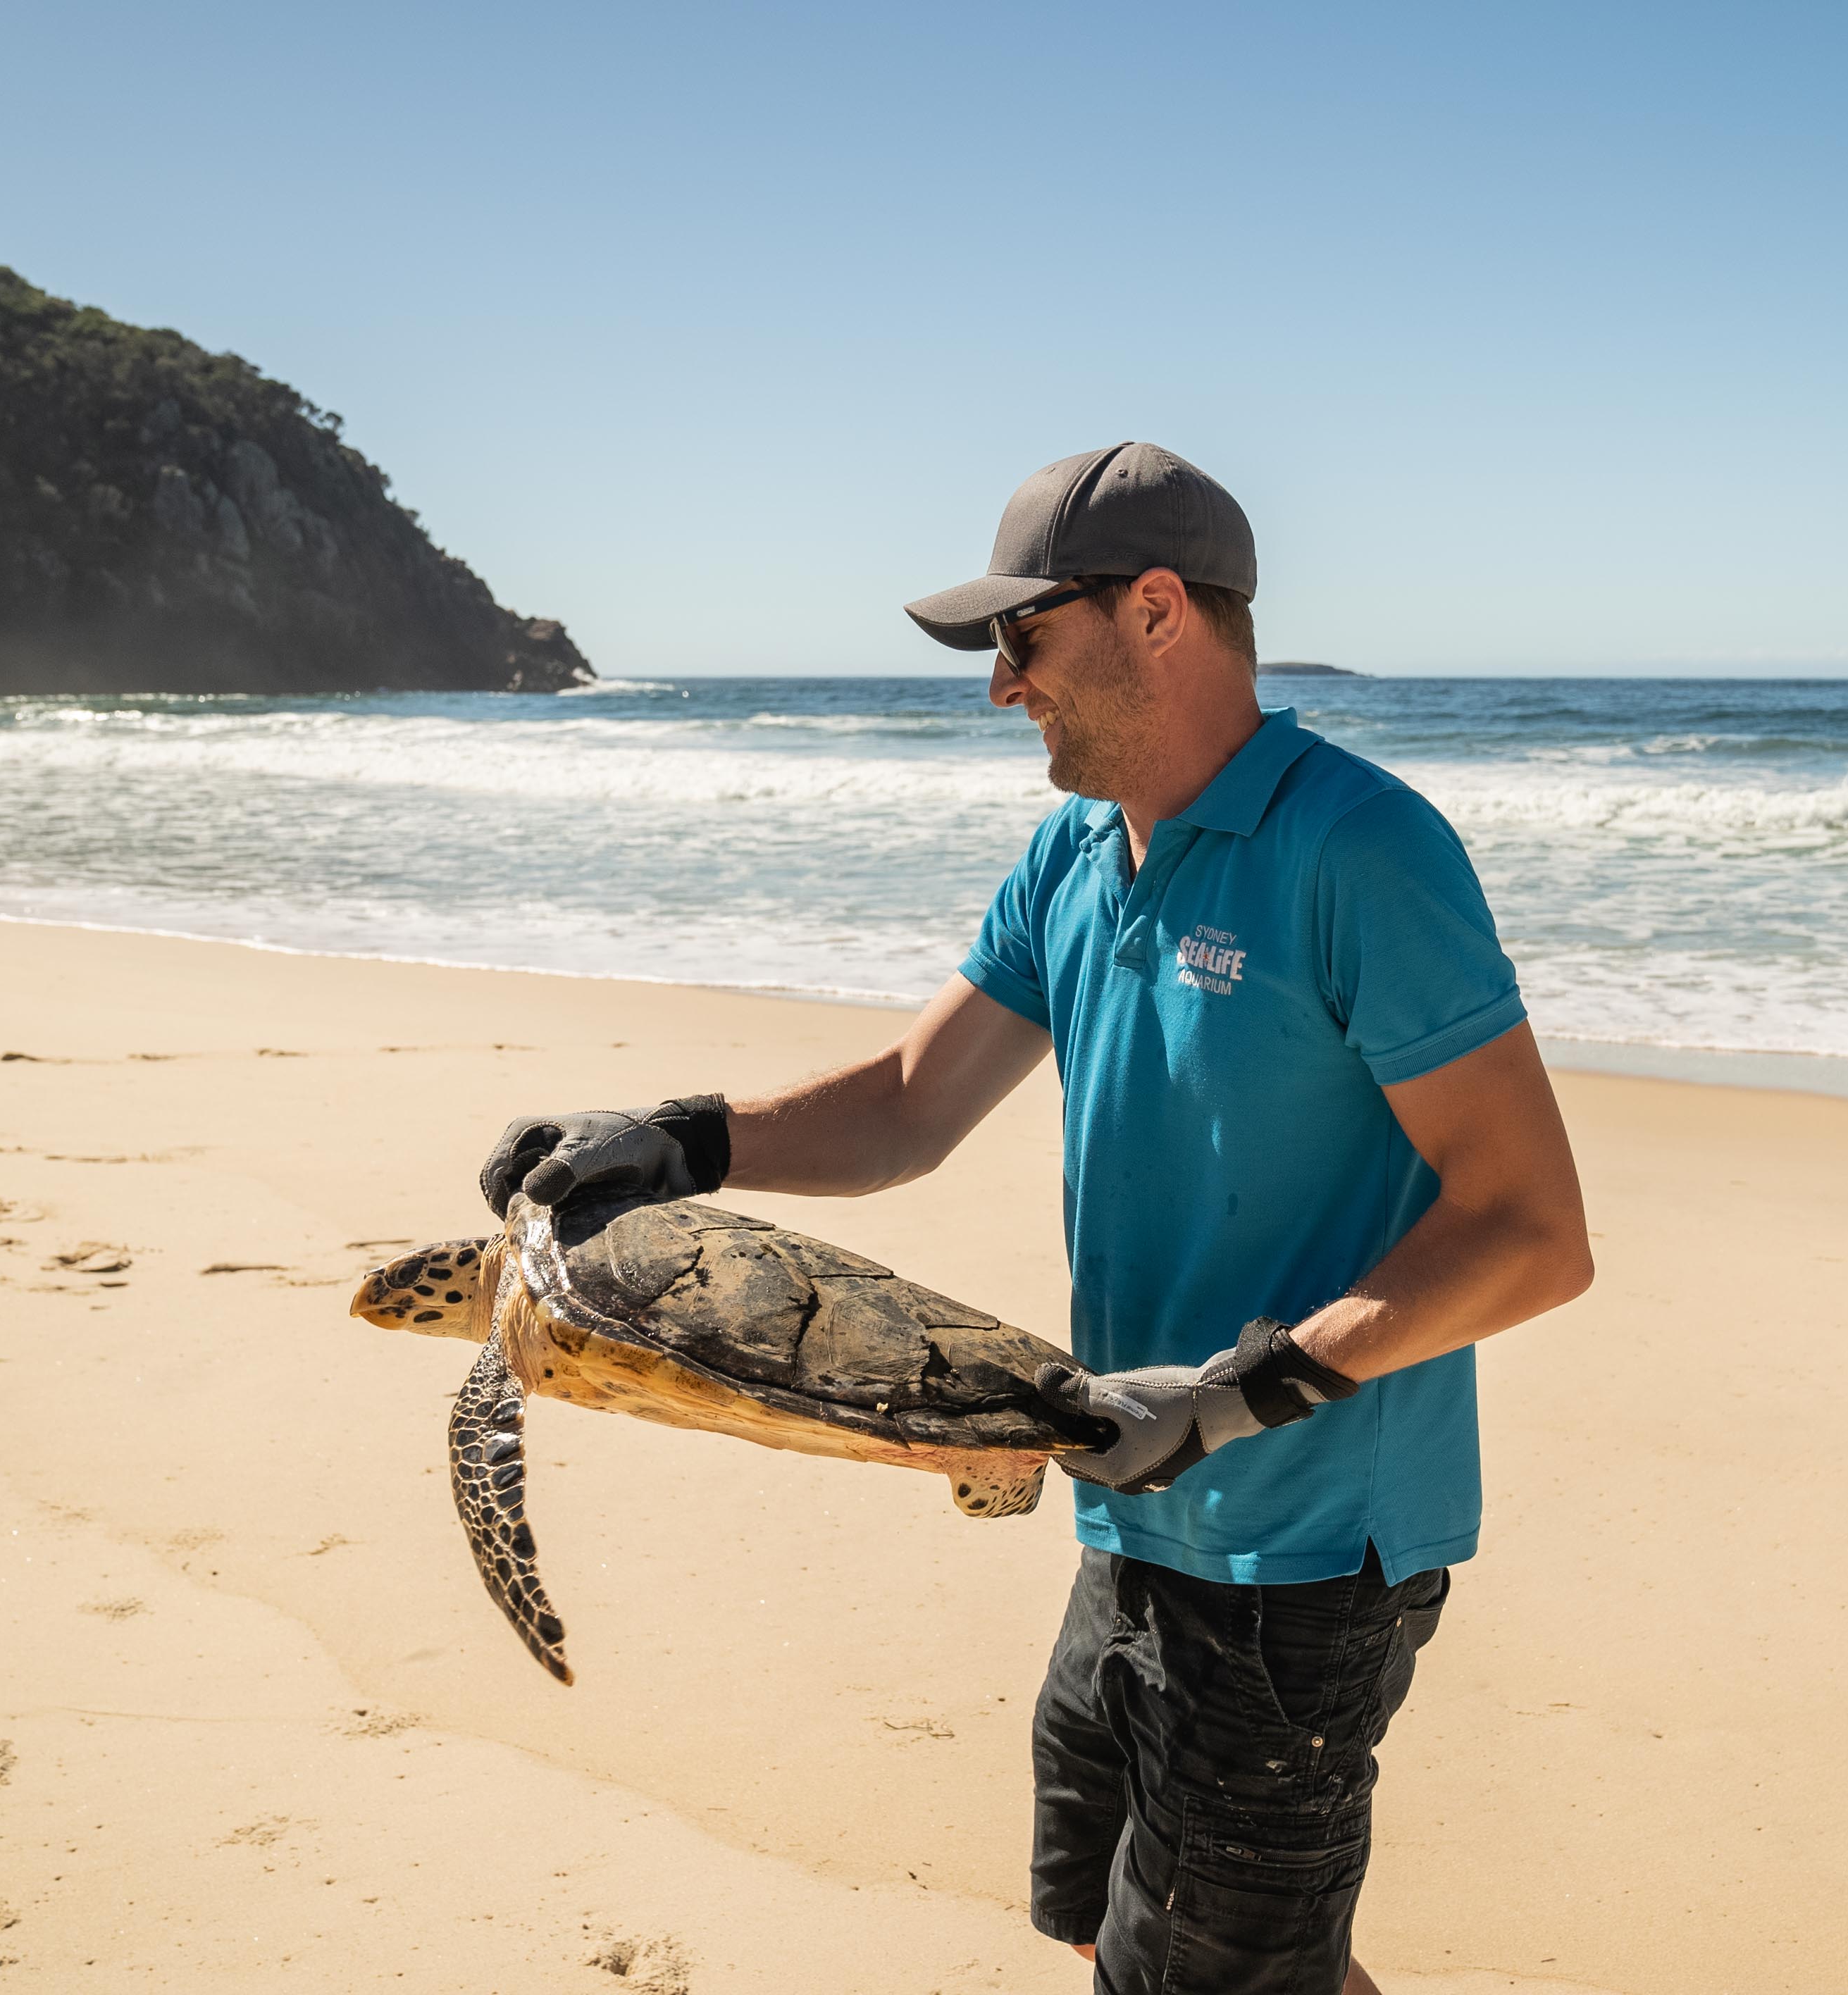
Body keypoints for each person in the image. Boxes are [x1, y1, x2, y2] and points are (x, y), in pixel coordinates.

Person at [477, 443, 1592, 1994]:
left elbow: (1532, 1228)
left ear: (1152, 611)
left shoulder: (1359, 850)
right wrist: (674, 1140)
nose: (1001, 686)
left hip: (1303, 1552)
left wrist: (1227, 1400)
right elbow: (910, 1103)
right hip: (1126, 1508)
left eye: (1021, 637)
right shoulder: (1074, 852)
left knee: (1204, 1971)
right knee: (1109, 1922)